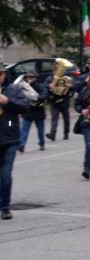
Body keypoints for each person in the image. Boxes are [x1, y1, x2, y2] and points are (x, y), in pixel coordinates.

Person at [0, 62, 30, 220]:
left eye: (0, 74)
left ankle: (5, 206)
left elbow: (25, 107)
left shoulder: (13, 89)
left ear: (4, 75)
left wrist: (7, 102)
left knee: (5, 174)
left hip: (9, 134)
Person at [18, 70, 47, 152]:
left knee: (40, 130)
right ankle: (21, 145)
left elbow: (44, 96)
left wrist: (36, 97)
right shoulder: (23, 86)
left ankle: (42, 144)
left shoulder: (40, 86)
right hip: (28, 111)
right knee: (24, 130)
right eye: (28, 77)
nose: (30, 78)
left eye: (32, 77)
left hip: (38, 110)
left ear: (36, 78)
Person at [45, 62, 73, 141]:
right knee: (54, 118)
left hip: (64, 100)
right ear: (53, 71)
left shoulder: (65, 78)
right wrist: (49, 86)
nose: (58, 72)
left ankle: (66, 133)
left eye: (59, 70)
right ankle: (52, 134)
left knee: (66, 118)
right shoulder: (49, 78)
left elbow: (73, 85)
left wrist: (70, 86)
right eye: (56, 70)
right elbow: (45, 86)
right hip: (54, 101)